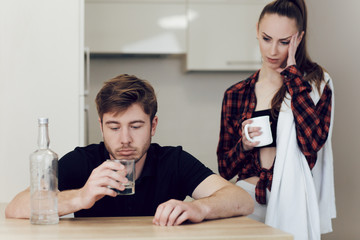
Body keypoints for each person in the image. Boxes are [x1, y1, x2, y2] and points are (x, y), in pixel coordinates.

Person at [5, 74, 254, 226]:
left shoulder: (173, 161)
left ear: (153, 125)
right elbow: (16, 207)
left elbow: (242, 201)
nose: (125, 139)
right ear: (101, 127)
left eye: (135, 126)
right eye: (114, 127)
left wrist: (199, 208)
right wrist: (81, 196)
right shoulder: (82, 161)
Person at [217, 0, 335, 239]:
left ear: (298, 39)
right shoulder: (236, 93)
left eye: (284, 42)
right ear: (257, 32)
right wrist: (245, 145)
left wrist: (292, 76)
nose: (272, 51)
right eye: (266, 38)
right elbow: (224, 169)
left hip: (293, 201)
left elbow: (311, 143)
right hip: (247, 200)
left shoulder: (316, 84)